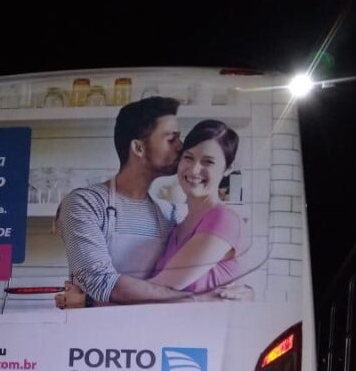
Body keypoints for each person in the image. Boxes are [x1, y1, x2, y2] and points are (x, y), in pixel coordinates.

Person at [55, 100, 248, 307]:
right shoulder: (85, 203)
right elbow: (100, 283)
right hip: (97, 325)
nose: (180, 146)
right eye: (172, 139)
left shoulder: (170, 214)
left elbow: (188, 282)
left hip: (152, 322)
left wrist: (242, 291)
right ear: (138, 148)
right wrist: (198, 299)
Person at [147, 119, 241, 293]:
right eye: (188, 158)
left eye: (208, 162)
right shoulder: (177, 227)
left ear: (228, 168)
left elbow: (158, 289)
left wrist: (99, 296)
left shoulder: (224, 219)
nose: (194, 170)